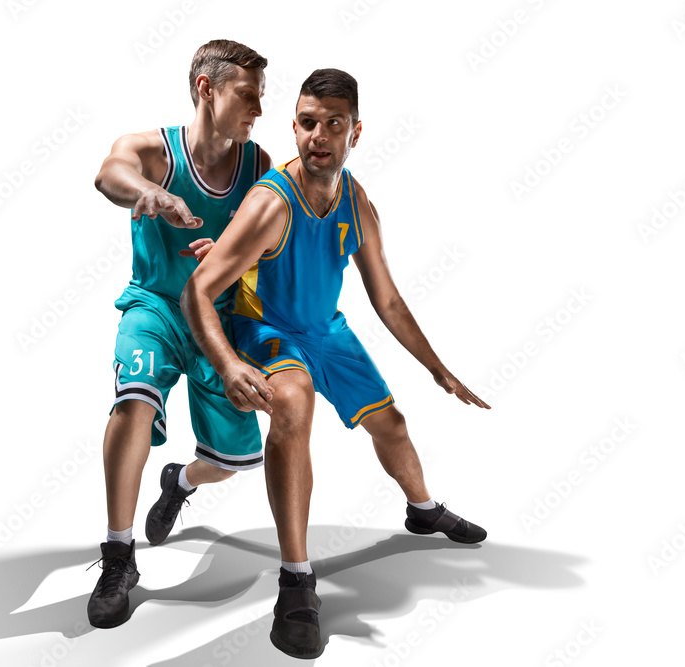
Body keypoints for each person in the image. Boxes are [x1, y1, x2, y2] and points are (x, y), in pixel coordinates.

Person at [181, 68, 491, 658]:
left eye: (333, 124)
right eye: (306, 122)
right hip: (267, 330)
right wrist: (226, 365)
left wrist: (437, 367)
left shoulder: (358, 201)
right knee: (294, 403)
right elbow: (198, 289)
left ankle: (423, 511)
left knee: (391, 424)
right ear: (293, 126)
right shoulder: (270, 203)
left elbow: (387, 299)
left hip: (327, 331)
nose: (317, 135)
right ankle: (296, 580)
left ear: (355, 132)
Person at [87, 39, 273, 629]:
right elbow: (110, 172)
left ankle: (180, 481)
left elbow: (268, 249)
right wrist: (149, 192)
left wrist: (233, 255)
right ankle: (119, 555)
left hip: (219, 322)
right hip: (157, 307)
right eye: (248, 95)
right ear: (205, 88)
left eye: (261, 97)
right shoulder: (153, 150)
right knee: (134, 403)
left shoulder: (259, 166)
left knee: (234, 461)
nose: (258, 109)